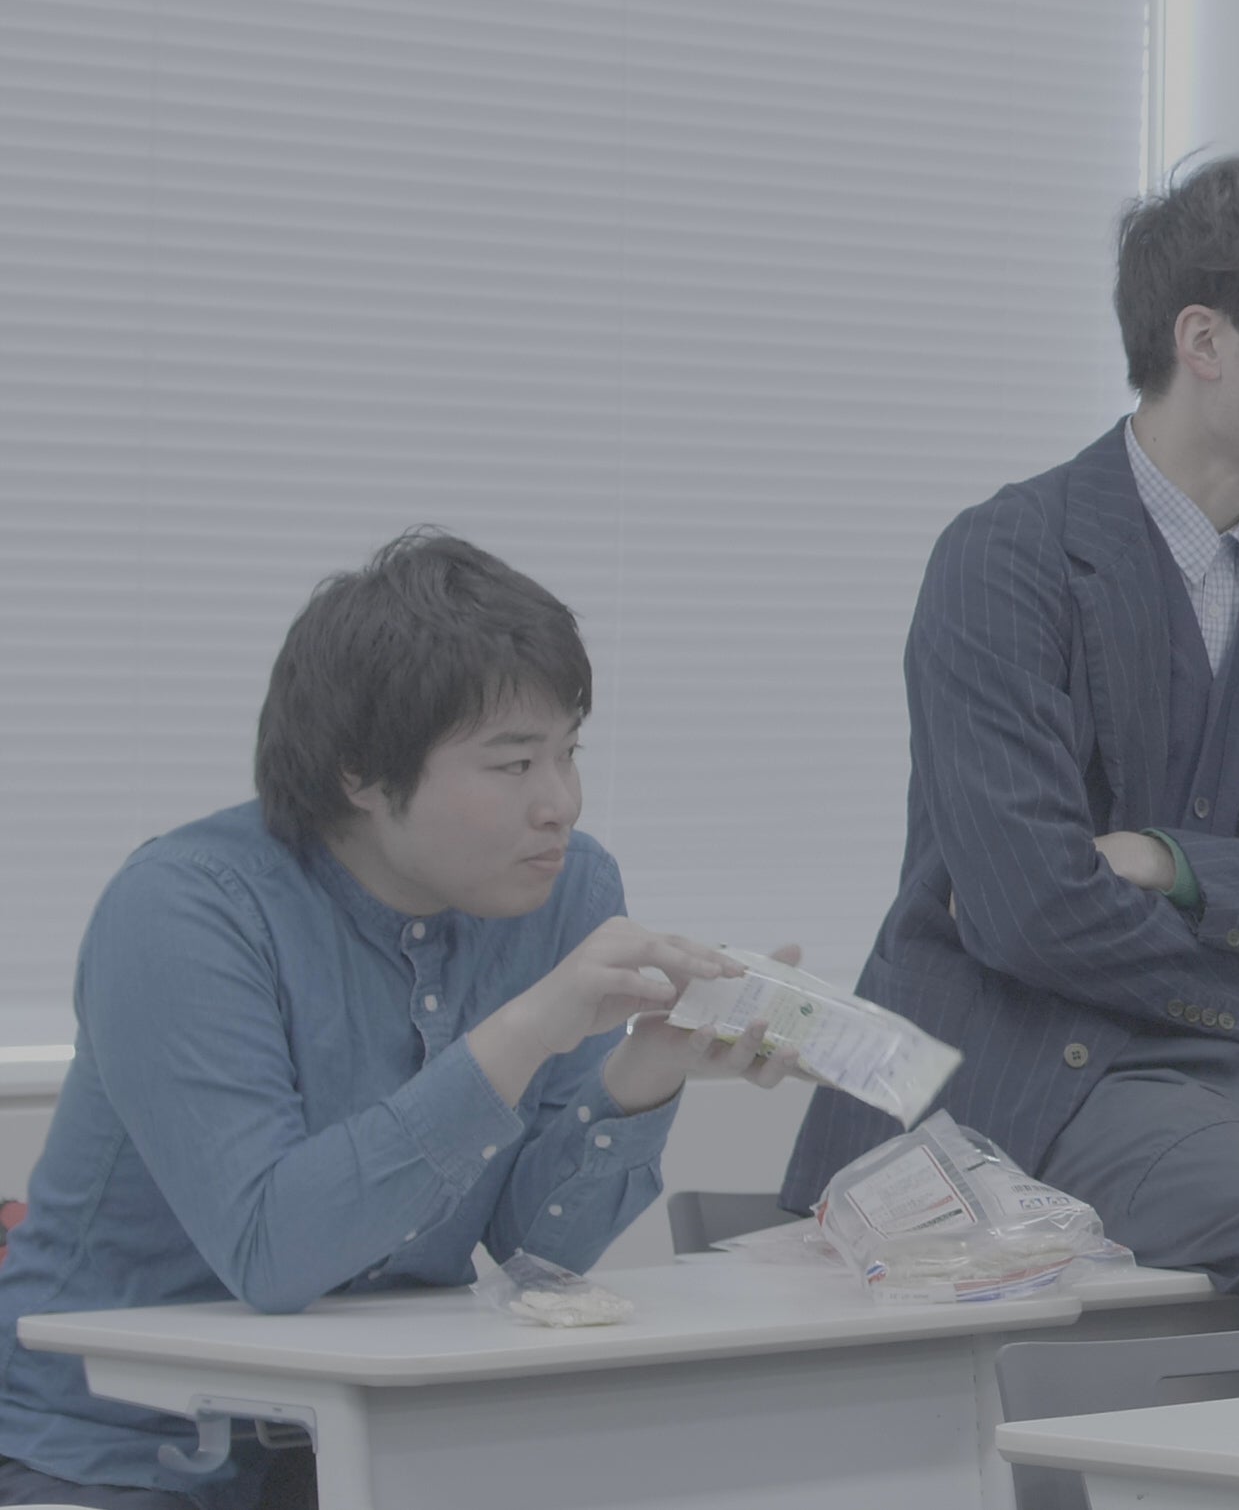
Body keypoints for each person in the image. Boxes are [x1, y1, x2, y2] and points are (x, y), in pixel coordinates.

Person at [778, 157, 1239, 1327]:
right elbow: (1028, 908)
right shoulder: (1006, 558)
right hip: (1042, 1069)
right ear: (1205, 339)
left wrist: (1169, 862)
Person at [0, 533, 792, 1510]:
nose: (561, 803)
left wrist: (646, 1069)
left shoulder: (568, 887)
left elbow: (534, 1253)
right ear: (362, 775)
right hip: (109, 1452)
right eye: (514, 762)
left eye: (567, 752)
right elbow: (272, 1252)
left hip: (379, 1442)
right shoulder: (185, 908)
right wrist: (529, 1027)